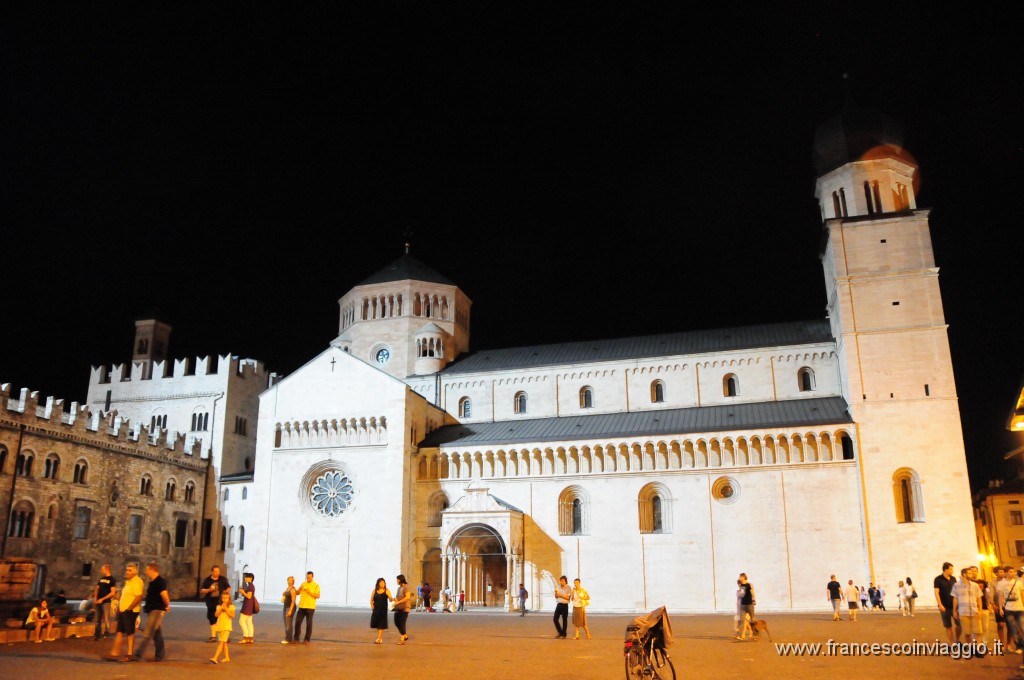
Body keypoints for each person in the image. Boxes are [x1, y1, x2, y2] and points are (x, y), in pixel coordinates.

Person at [129, 561, 170, 662]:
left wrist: (167, 605)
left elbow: (165, 595)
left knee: (148, 633)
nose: (146, 572)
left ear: (152, 570)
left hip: (157, 610)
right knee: (157, 634)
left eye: (147, 570)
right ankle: (160, 656)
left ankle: (137, 654)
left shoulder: (160, 581)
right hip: (152, 609)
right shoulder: (152, 582)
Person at [106, 562, 144, 662]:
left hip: (130, 611)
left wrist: (130, 608)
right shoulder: (128, 582)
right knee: (119, 631)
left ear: (135, 572)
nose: (127, 572)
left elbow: (139, 596)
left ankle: (130, 654)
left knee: (130, 632)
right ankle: (115, 652)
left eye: (130, 570)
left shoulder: (137, 581)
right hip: (123, 611)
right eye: (127, 570)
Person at [952, 566, 982, 646]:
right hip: (963, 612)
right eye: (969, 573)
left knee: (978, 632)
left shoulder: (975, 585)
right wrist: (954, 610)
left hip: (974, 611)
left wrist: (980, 610)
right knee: (967, 633)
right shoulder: (956, 585)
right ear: (964, 574)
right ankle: (971, 647)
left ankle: (978, 648)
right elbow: (955, 598)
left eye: (972, 573)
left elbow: (979, 598)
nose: (972, 574)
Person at [200, 566, 231, 642]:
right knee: (212, 618)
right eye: (216, 571)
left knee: (222, 618)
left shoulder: (223, 579)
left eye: (218, 571)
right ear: (212, 572)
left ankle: (224, 636)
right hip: (211, 602)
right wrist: (209, 590)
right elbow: (202, 590)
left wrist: (225, 593)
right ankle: (213, 636)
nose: (217, 573)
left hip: (221, 602)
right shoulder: (207, 580)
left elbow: (228, 588)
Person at [934, 562, 958, 644]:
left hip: (955, 606)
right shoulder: (938, 579)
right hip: (944, 607)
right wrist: (940, 605)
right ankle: (953, 644)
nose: (952, 571)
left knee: (959, 625)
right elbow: (936, 592)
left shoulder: (953, 579)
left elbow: (956, 592)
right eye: (951, 569)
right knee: (948, 626)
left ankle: (957, 640)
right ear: (945, 569)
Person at [92, 563, 117, 640]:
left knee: (106, 618)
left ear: (106, 569)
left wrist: (102, 599)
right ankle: (97, 634)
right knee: (97, 618)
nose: (101, 571)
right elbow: (97, 588)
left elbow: (112, 592)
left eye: (102, 569)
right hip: (98, 601)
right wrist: (95, 598)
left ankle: (107, 633)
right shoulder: (101, 579)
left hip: (106, 602)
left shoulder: (112, 579)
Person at [294, 571, 320, 643]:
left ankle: (307, 639)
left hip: (310, 607)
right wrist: (299, 589)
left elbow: (317, 596)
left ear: (312, 577)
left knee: (309, 623)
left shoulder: (316, 585)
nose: (308, 578)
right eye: (307, 577)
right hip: (302, 606)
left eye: (309, 577)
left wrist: (309, 592)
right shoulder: (303, 584)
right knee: (298, 622)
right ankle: (296, 638)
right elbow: (297, 593)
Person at [967, 566, 991, 643]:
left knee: (985, 627)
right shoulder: (967, 582)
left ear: (977, 572)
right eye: (972, 571)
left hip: (983, 606)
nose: (974, 573)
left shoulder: (983, 582)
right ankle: (976, 643)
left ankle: (984, 642)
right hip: (973, 607)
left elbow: (986, 593)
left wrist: (989, 604)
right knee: (975, 627)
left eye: (975, 571)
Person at [210, 591, 235, 664]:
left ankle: (215, 657)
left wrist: (227, 609)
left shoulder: (231, 606)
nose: (225, 600)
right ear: (221, 599)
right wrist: (221, 609)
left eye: (226, 598)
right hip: (220, 626)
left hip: (226, 627)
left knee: (221, 643)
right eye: (223, 598)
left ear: (229, 599)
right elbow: (216, 615)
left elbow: (232, 615)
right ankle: (227, 657)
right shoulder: (218, 606)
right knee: (224, 643)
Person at [370, 577, 392, 644]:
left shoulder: (387, 590)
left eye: (383, 583)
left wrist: (392, 598)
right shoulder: (375, 590)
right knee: (377, 624)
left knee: (381, 624)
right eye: (381, 583)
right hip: (376, 610)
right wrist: (373, 607)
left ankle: (379, 638)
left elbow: (390, 599)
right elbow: (371, 600)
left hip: (383, 610)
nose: (382, 584)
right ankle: (380, 638)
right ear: (378, 583)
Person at [237, 572, 256, 644]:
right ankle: (250, 638)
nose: (245, 578)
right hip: (249, 605)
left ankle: (245, 637)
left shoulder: (250, 586)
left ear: (250, 578)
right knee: (249, 622)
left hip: (247, 606)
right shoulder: (251, 586)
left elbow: (249, 596)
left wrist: (242, 592)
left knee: (242, 621)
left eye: (247, 577)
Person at [393, 574, 411, 645]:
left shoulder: (406, 587)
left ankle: (402, 639)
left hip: (405, 608)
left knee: (402, 622)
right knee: (396, 622)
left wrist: (399, 601)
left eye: (397, 579)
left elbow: (407, 597)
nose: (396, 581)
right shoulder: (399, 588)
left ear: (400, 580)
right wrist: (394, 599)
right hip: (398, 607)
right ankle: (404, 635)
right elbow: (398, 597)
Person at [738, 573, 756, 638]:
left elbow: (752, 592)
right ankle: (740, 635)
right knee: (741, 620)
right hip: (743, 605)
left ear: (743, 577)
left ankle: (755, 634)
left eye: (740, 577)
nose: (739, 578)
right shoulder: (741, 585)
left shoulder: (749, 584)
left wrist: (754, 600)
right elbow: (742, 594)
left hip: (749, 604)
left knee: (752, 620)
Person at [281, 575, 297, 644]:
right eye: (288, 580)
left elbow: (293, 601)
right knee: (286, 623)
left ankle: (289, 639)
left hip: (290, 607)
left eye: (290, 580)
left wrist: (290, 610)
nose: (289, 582)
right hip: (285, 606)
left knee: (289, 624)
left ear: (293, 581)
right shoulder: (288, 588)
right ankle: (287, 637)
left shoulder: (293, 589)